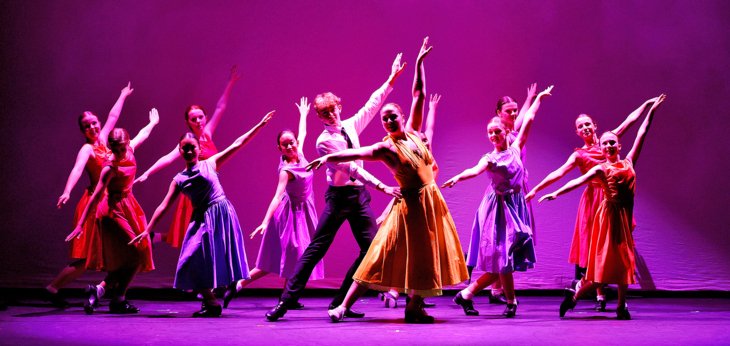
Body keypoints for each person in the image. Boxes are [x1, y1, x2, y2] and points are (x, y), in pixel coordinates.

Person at [315, 37, 469, 324]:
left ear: (401, 116)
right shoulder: (386, 148)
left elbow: (419, 95)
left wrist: (419, 64)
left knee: (426, 255)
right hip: (408, 204)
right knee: (380, 253)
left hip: (430, 202)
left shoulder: (413, 133)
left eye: (391, 116)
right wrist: (328, 158)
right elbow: (356, 152)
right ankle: (343, 306)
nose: (387, 121)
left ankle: (414, 306)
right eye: (384, 119)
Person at [264, 53, 406, 322]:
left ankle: (342, 302)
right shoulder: (323, 142)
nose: (331, 113)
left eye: (333, 108)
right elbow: (351, 167)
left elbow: (372, 105)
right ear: (319, 115)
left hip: (358, 197)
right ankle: (285, 302)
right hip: (339, 198)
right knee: (316, 248)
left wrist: (391, 78)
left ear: (339, 106)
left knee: (371, 248)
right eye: (325, 112)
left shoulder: (350, 126)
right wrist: (382, 187)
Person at [130, 111, 275, 317]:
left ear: (199, 149)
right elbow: (163, 206)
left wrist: (259, 125)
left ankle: (215, 299)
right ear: (180, 151)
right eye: (185, 148)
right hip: (200, 218)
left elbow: (237, 144)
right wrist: (148, 230)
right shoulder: (179, 179)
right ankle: (211, 301)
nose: (189, 151)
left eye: (192, 148)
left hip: (221, 212)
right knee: (189, 258)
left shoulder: (210, 163)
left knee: (216, 255)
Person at [525, 96, 662, 310]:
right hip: (594, 202)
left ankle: (601, 297)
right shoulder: (580, 155)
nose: (585, 128)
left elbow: (631, 123)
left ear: (595, 126)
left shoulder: (609, 142)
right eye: (581, 126)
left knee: (616, 249)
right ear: (578, 132)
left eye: (588, 124)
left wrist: (647, 106)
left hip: (614, 201)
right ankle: (598, 296)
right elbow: (560, 174)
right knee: (594, 247)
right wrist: (537, 189)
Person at [443, 85, 553, 318]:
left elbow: (529, 118)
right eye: (490, 133)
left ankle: (468, 295)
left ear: (505, 132)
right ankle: (507, 301)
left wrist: (538, 99)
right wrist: (458, 177)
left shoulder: (515, 147)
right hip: (499, 209)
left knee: (508, 256)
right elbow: (474, 170)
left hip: (516, 204)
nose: (493, 136)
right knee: (505, 255)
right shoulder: (490, 158)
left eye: (497, 132)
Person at [222, 98, 324, 308]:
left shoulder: (301, 154)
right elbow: (277, 196)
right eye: (284, 144)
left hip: (304, 212)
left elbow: (302, 133)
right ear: (279, 148)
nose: (289, 145)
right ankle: (241, 285)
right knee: (281, 259)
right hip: (290, 216)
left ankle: (284, 296)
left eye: (291, 142)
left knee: (297, 257)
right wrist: (264, 221)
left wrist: (303, 115)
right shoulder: (286, 171)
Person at [66, 109, 159, 314]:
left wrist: (152, 123)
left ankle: (100, 290)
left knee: (134, 253)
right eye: (114, 148)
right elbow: (97, 196)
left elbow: (142, 134)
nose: (117, 152)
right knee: (136, 252)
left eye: (121, 147)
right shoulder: (109, 166)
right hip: (112, 210)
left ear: (126, 144)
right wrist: (81, 224)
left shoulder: (130, 149)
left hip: (129, 205)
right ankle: (117, 297)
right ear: (111, 146)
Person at [48, 83, 133, 308]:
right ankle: (53, 287)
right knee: (86, 259)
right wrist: (67, 191)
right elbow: (77, 169)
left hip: (108, 202)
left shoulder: (105, 139)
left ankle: (113, 292)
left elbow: (113, 115)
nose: (93, 127)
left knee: (111, 251)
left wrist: (122, 95)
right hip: (93, 203)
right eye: (87, 126)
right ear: (83, 131)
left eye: (94, 123)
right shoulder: (87, 149)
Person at [135, 67, 240, 247]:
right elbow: (167, 158)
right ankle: (157, 238)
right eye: (194, 119)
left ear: (205, 118)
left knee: (194, 233)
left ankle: (156, 237)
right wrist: (147, 172)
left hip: (210, 189)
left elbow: (220, 107)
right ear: (188, 122)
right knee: (193, 233)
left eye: (200, 117)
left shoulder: (207, 134)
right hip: (196, 192)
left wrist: (230, 83)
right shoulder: (188, 142)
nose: (198, 121)